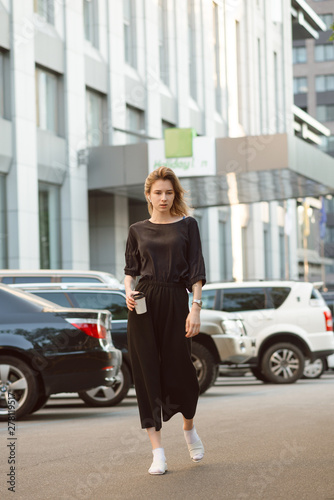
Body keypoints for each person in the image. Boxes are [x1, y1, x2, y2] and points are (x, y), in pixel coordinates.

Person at [124, 166, 206, 475]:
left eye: (169, 192)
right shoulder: (137, 230)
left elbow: (196, 269)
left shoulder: (188, 226)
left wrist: (195, 307)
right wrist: (128, 292)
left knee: (181, 370)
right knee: (146, 375)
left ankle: (188, 426)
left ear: (175, 194)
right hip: (143, 305)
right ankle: (157, 452)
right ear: (148, 195)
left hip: (175, 300)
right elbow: (130, 270)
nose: (164, 198)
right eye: (158, 192)